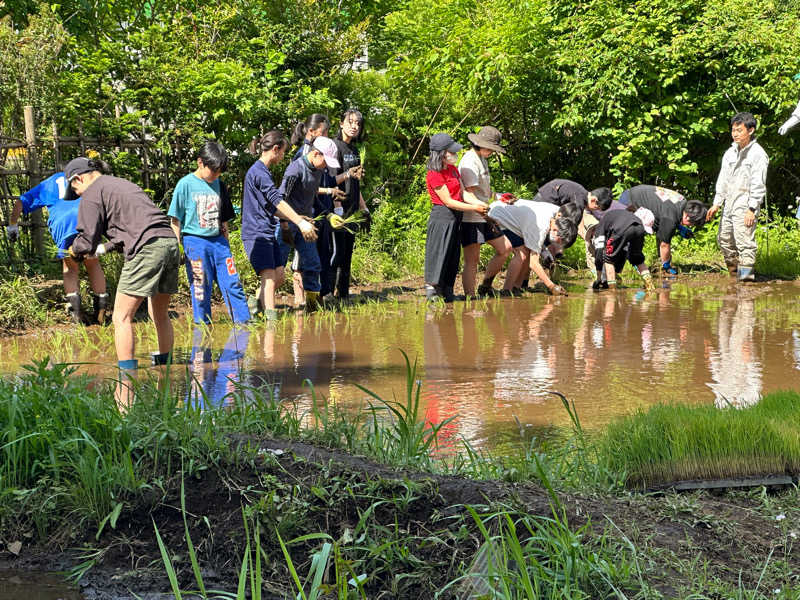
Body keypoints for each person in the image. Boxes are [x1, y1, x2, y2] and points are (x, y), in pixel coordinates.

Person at [64, 157, 180, 373]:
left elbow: (87, 239)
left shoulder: (91, 194)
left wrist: (73, 250)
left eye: (74, 189)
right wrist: (105, 248)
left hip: (146, 249)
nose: (77, 195)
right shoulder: (123, 185)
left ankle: (126, 376)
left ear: (78, 178)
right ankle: (166, 368)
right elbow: (133, 226)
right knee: (160, 313)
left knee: (121, 317)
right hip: (169, 243)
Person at [7, 171, 109, 324]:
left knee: (70, 268)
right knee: (93, 263)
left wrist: (13, 226)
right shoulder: (85, 177)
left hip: (64, 224)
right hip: (87, 218)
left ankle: (76, 314)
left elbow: (21, 202)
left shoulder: (50, 183)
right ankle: (101, 311)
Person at [168, 140, 250, 324]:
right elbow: (175, 219)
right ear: (200, 163)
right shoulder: (185, 185)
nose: (216, 175)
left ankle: (244, 324)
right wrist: (177, 247)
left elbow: (224, 221)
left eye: (220, 171)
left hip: (219, 243)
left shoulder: (220, 185)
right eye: (213, 170)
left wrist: (226, 245)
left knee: (232, 282)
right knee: (200, 286)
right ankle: (202, 327)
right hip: (195, 243)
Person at [241, 130, 318, 320]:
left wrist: (297, 218)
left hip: (266, 230)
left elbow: (272, 208)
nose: (283, 157)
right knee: (268, 277)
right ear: (275, 149)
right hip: (257, 233)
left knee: (279, 275)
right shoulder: (259, 172)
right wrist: (300, 222)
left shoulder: (263, 171)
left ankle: (253, 305)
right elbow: (277, 200)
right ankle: (271, 322)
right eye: (283, 152)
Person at [277, 135, 340, 311]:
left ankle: (313, 308)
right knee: (277, 267)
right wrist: (284, 226)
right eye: (325, 161)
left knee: (313, 264)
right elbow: (281, 200)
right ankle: (260, 304)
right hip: (287, 224)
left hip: (307, 224)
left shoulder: (318, 170)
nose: (326, 166)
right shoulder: (294, 170)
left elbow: (312, 198)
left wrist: (328, 215)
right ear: (315, 154)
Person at [424, 133, 489, 302]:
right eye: (451, 152)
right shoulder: (434, 173)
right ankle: (433, 291)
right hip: (442, 217)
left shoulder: (453, 170)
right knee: (439, 253)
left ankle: (447, 292)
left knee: (452, 255)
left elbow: (463, 194)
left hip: (456, 217)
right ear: (441, 154)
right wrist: (475, 207)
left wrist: (479, 203)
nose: (455, 154)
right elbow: (449, 201)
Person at [705, 112, 769, 281]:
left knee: (745, 242)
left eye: (739, 130)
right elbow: (723, 180)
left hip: (746, 203)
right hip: (729, 203)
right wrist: (717, 203)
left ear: (751, 130)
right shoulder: (730, 152)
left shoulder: (758, 154)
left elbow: (758, 184)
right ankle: (735, 277)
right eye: (733, 130)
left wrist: (752, 209)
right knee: (724, 239)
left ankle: (746, 281)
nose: (735, 134)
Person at [457, 126, 513, 298]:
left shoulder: (482, 158)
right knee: (472, 261)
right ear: (480, 145)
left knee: (505, 248)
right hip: (472, 217)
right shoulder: (469, 162)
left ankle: (486, 285)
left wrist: (498, 196)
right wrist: (488, 215)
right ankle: (470, 297)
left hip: (484, 214)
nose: (492, 152)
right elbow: (469, 194)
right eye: (491, 148)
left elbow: (483, 190)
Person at [486, 199, 577, 296]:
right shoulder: (541, 228)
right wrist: (551, 286)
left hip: (510, 217)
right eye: (559, 241)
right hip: (498, 217)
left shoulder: (556, 214)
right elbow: (533, 263)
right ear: (556, 230)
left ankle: (516, 287)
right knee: (522, 254)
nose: (557, 244)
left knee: (526, 251)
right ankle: (507, 290)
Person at [618, 185, 708, 274]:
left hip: (637, 192)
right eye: (692, 223)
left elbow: (665, 217)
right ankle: (630, 263)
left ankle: (646, 260)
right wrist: (666, 266)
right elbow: (664, 244)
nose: (691, 226)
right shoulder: (670, 218)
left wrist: (680, 227)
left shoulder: (683, 202)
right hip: (630, 201)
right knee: (633, 234)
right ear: (687, 216)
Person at [329, 108, 371, 302]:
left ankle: (343, 295)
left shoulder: (354, 150)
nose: (354, 127)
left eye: (357, 124)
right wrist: (337, 207)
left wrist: (364, 208)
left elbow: (355, 182)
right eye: (351, 122)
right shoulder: (334, 147)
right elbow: (330, 181)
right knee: (336, 254)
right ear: (341, 123)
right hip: (339, 210)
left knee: (347, 255)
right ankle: (328, 294)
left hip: (353, 209)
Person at [588, 207, 656, 291]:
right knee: (638, 259)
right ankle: (650, 285)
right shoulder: (627, 216)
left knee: (608, 258)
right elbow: (623, 250)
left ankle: (612, 290)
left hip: (622, 228)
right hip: (640, 228)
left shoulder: (599, 228)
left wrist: (598, 278)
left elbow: (599, 253)